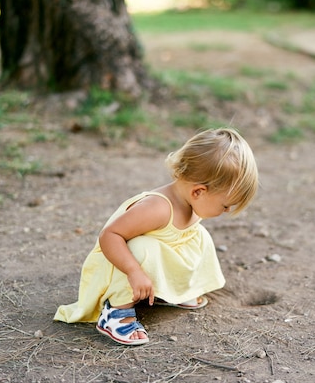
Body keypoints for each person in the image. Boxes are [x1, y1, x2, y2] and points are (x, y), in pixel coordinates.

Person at [54, 127, 259, 345]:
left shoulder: (191, 202)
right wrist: (133, 271)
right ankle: (115, 312)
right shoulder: (157, 208)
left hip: (147, 263)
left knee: (198, 236)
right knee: (144, 248)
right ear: (198, 191)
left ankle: (173, 291)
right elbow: (110, 236)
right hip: (119, 263)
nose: (226, 211)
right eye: (226, 205)